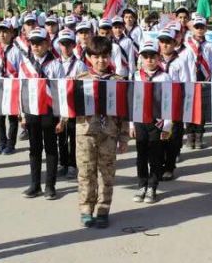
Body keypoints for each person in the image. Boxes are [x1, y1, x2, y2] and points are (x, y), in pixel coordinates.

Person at [68, 36, 129, 228]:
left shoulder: (118, 82)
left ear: (110, 56)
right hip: (85, 133)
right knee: (86, 172)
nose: (101, 60)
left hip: (109, 133)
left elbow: (123, 112)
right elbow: (68, 106)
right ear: (88, 57)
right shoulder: (80, 80)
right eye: (96, 56)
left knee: (107, 174)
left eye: (104, 56)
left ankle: (103, 209)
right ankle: (86, 209)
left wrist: (124, 137)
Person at [18, 27, 64, 200]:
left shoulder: (56, 64)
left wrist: (62, 118)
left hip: (50, 111)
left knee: (51, 148)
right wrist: (22, 114)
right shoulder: (25, 64)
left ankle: (50, 186)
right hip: (31, 110)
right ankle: (35, 184)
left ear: (47, 43)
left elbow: (61, 92)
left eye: (39, 43)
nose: (36, 46)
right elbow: (21, 89)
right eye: (33, 43)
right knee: (34, 149)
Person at [130, 40, 172, 204]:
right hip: (140, 120)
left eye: (152, 56)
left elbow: (168, 102)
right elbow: (132, 101)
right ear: (141, 58)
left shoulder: (165, 77)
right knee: (141, 155)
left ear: (158, 57)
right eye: (145, 56)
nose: (149, 60)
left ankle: (152, 187)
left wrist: (167, 125)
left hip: (157, 122)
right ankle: (142, 185)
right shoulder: (135, 76)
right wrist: (131, 124)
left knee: (155, 156)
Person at [157, 28, 189, 180]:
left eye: (168, 42)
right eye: (162, 42)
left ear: (174, 43)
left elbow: (186, 83)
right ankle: (158, 164)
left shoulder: (180, 61)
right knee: (158, 135)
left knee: (174, 135)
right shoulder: (154, 60)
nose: (165, 45)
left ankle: (169, 167)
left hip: (175, 103)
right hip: (158, 103)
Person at [56, 28, 87, 179]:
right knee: (60, 134)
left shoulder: (80, 64)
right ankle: (62, 162)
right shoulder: (54, 63)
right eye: (63, 44)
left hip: (74, 104)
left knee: (73, 136)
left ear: (74, 45)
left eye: (69, 44)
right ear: (59, 45)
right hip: (60, 104)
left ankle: (73, 164)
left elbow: (85, 84)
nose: (66, 47)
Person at [183, 15, 212, 149]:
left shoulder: (209, 45)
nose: (199, 29)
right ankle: (190, 136)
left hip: (204, 81)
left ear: (206, 29)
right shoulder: (186, 44)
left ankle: (199, 136)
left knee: (201, 110)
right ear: (192, 28)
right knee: (189, 109)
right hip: (190, 80)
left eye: (202, 27)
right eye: (197, 27)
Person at [0, 20, 21, 156]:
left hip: (12, 87)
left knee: (12, 117)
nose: (2, 35)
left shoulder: (16, 51)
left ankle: (11, 143)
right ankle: (2, 142)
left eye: (5, 32)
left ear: (11, 34)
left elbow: (20, 69)